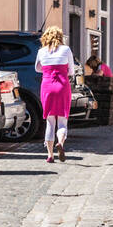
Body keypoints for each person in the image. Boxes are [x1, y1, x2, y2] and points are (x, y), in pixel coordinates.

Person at [34, 26, 75, 163]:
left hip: (47, 87)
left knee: (50, 121)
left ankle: (50, 155)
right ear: (60, 37)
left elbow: (37, 68)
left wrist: (48, 69)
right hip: (62, 86)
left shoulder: (41, 51)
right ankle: (61, 143)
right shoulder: (66, 50)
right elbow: (72, 71)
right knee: (62, 121)